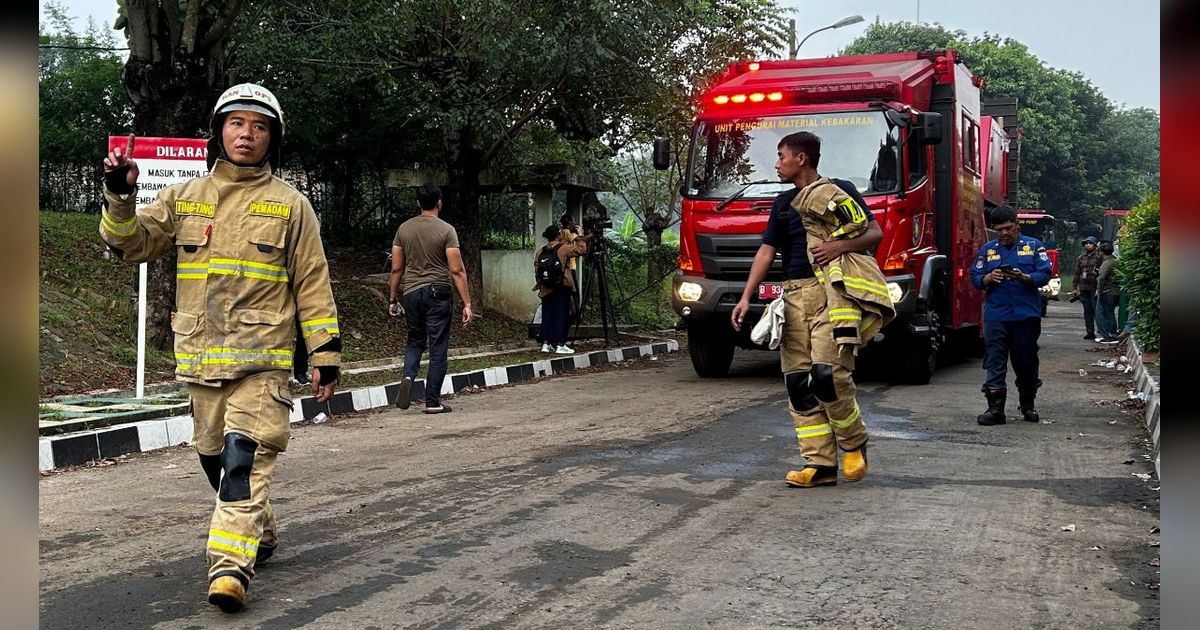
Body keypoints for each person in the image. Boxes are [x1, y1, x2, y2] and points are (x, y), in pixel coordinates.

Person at [99, 83, 341, 612]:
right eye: (237, 123)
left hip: (264, 361)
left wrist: (324, 353)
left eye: (259, 126)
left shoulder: (291, 206)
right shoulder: (186, 196)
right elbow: (130, 243)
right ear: (220, 131)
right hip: (202, 359)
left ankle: (229, 567)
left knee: (241, 459)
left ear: (272, 138)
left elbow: (313, 282)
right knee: (214, 460)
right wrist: (120, 192)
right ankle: (261, 528)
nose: (247, 134)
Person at [731, 131, 885, 488]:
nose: (776, 163)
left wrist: (838, 247)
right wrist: (745, 296)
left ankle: (853, 444)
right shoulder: (783, 204)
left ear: (801, 158)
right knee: (798, 382)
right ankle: (820, 465)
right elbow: (767, 251)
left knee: (828, 374)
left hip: (830, 293)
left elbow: (873, 232)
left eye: (781, 155)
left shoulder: (839, 190)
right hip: (793, 296)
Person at [388, 183, 473, 413]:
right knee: (438, 346)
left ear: (418, 204)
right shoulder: (446, 230)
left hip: (412, 293)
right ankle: (432, 401)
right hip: (438, 292)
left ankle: (408, 376)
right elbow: (457, 270)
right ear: (439, 203)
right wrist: (467, 302)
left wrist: (393, 299)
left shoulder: (403, 230)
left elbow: (397, 269)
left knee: (415, 340)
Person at [970, 205, 1052, 425]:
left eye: (1008, 228)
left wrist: (1025, 277)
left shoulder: (1034, 246)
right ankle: (995, 410)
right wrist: (988, 278)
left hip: (1026, 315)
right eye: (999, 230)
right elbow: (975, 276)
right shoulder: (988, 250)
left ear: (1017, 225)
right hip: (996, 315)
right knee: (995, 362)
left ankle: (1028, 403)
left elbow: (1045, 273)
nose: (1004, 233)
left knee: (1026, 363)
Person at [534, 224, 588, 353]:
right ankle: (560, 344)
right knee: (562, 315)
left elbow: (537, 270)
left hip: (546, 288)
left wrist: (542, 284)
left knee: (548, 315)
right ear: (558, 235)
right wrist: (579, 235)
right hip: (561, 287)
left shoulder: (540, 251)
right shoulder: (563, 249)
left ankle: (546, 344)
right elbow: (581, 250)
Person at [1070, 235, 1102, 339]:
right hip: (1084, 288)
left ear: (1095, 245)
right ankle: (1090, 332)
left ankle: (1102, 331)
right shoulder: (1081, 258)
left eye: (1090, 243)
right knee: (1087, 311)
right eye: (1086, 243)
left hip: (1095, 287)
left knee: (1096, 310)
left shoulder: (1099, 257)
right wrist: (1074, 288)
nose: (1088, 245)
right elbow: (1076, 273)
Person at [1095, 240, 1121, 344]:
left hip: (1107, 291)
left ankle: (1108, 335)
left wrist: (1099, 290)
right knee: (1110, 313)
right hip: (1115, 291)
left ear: (1101, 252)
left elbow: (1101, 278)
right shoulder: (1115, 261)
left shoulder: (1107, 263)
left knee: (1102, 314)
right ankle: (1112, 334)